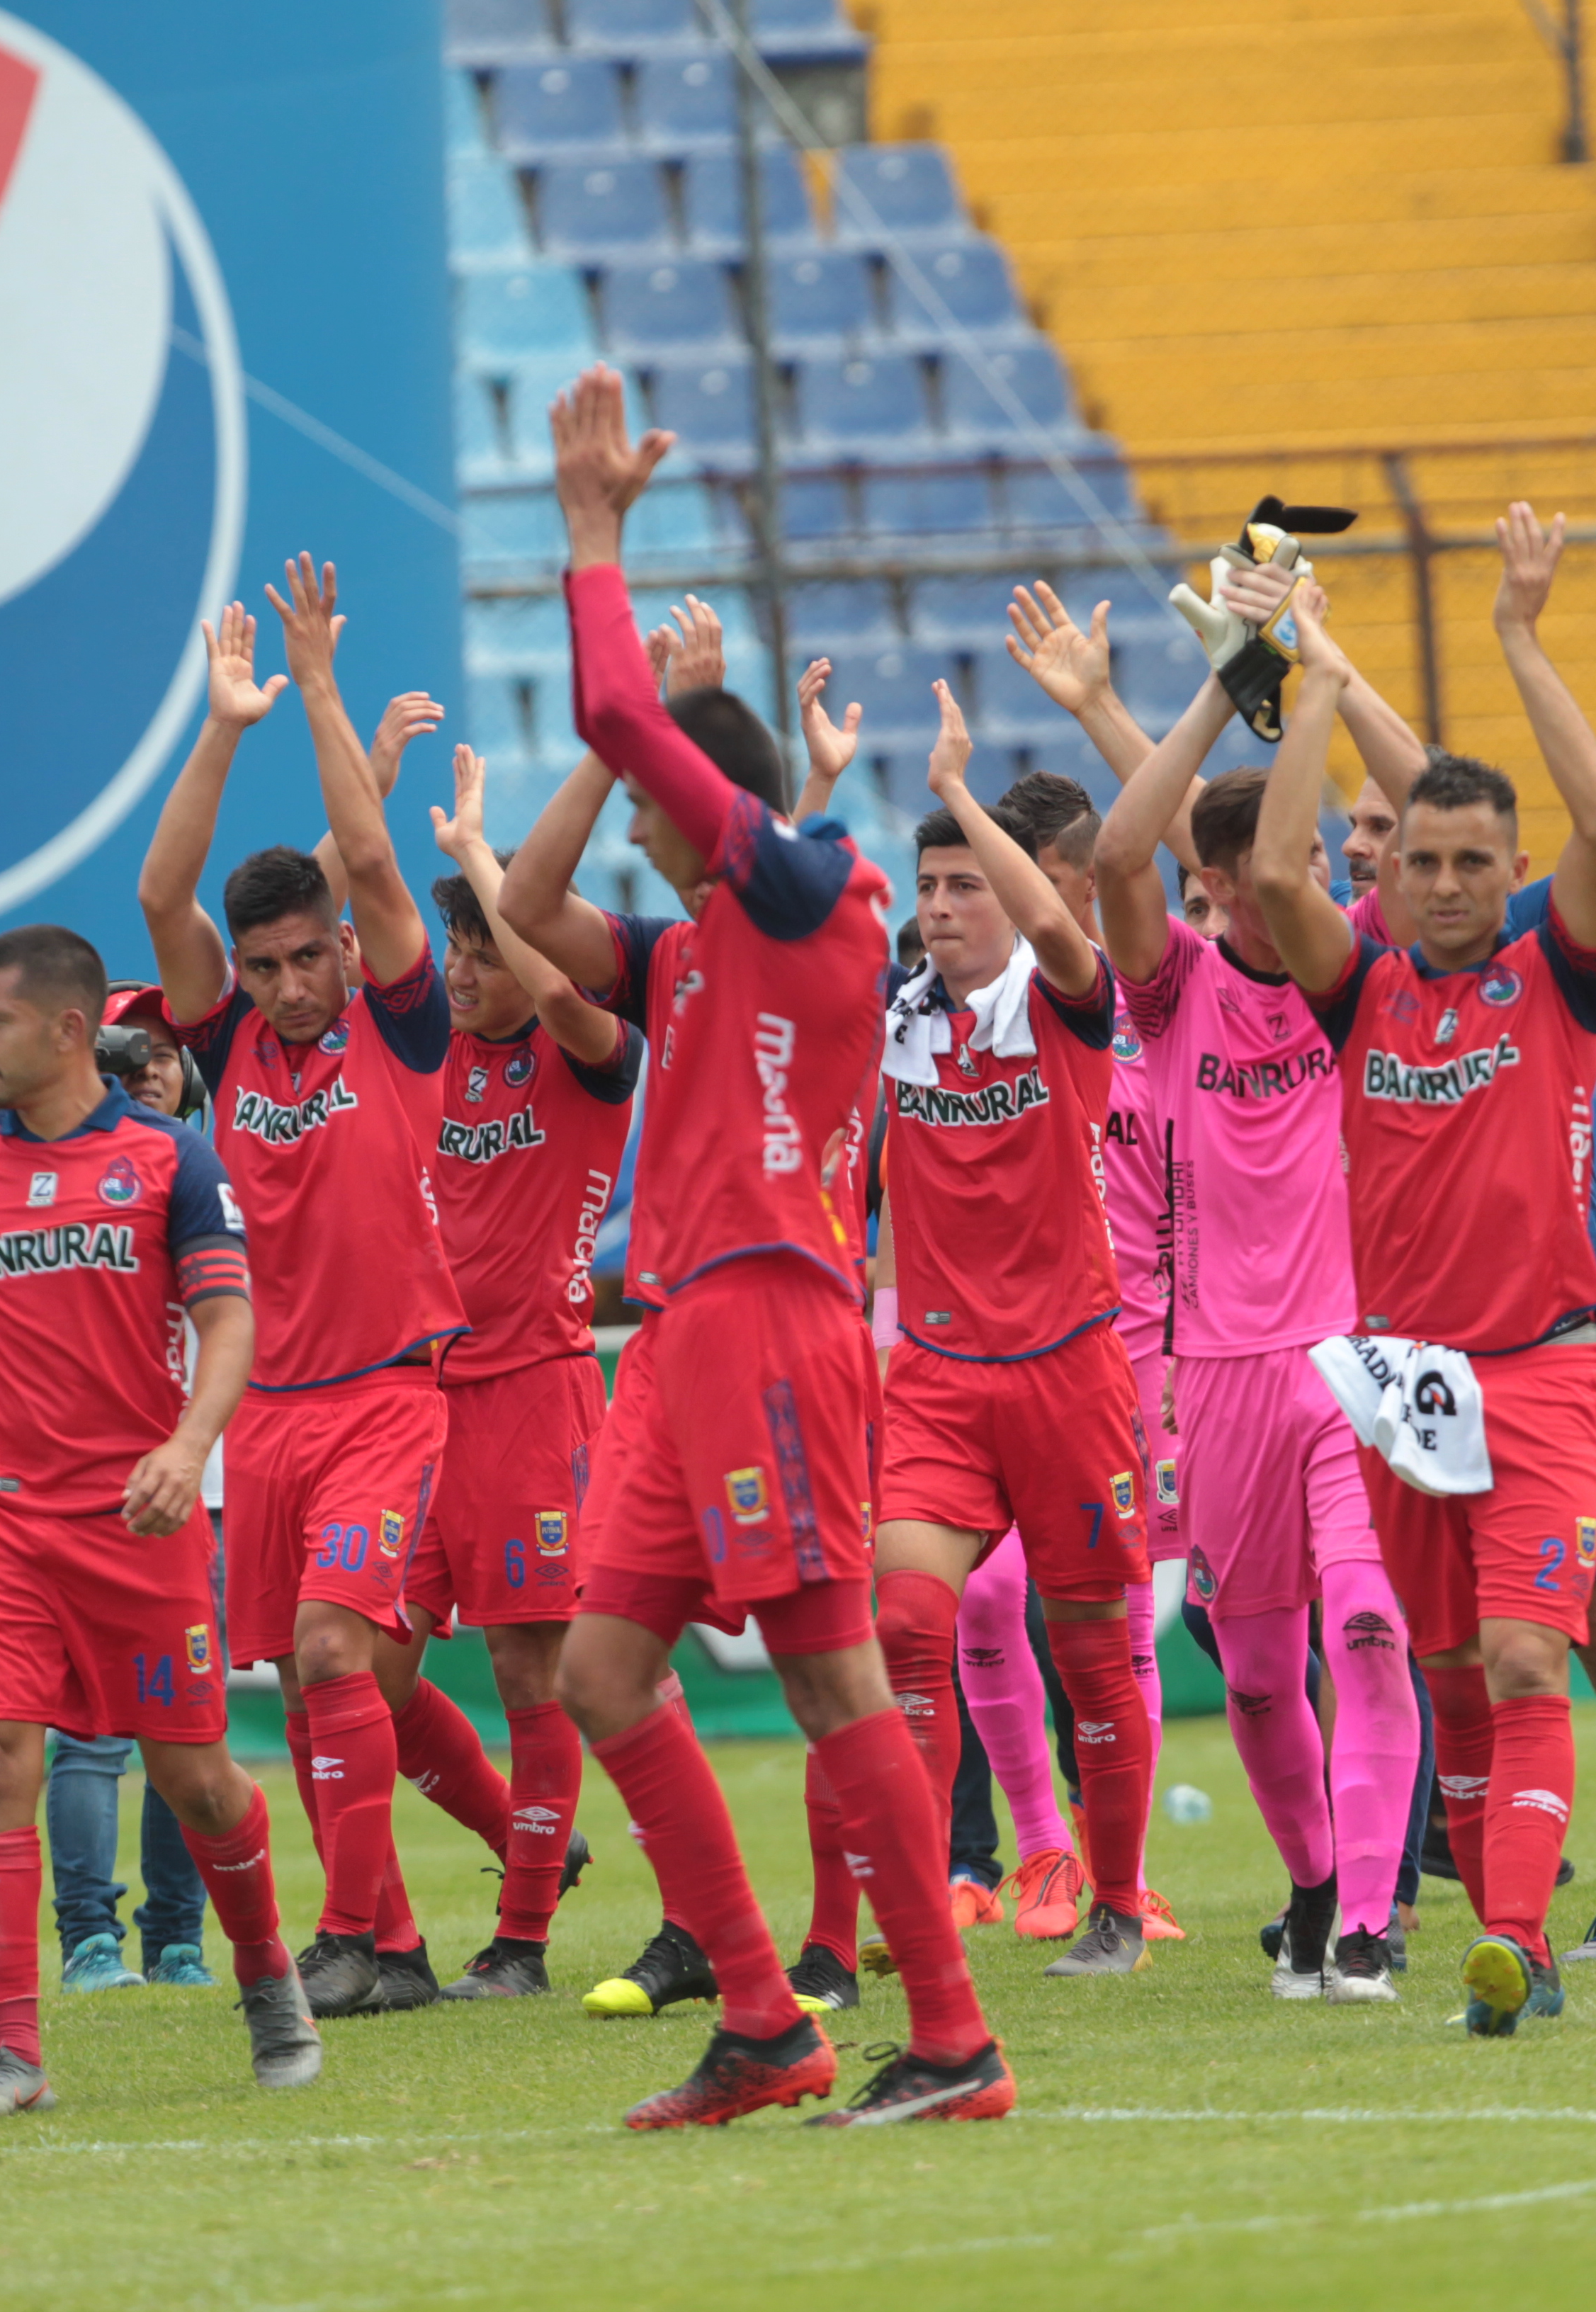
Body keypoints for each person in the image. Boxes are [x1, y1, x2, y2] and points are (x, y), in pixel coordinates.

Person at [499, 364, 1008, 2127]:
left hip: (776, 1320)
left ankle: (950, 2036)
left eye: (652, 805)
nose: (637, 834)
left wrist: (593, 550)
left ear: (708, 807)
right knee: (601, 1671)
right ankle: (767, 2021)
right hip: (684, 1339)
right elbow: (524, 910)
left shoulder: (812, 890)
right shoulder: (703, 933)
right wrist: (611, 746)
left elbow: (648, 744)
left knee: (828, 1670)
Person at [1247, 510, 1596, 2037]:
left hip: (1540, 1367)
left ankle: (1524, 1942)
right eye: (1427, 860)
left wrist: (1519, 640)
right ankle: (1498, 1933)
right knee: (1453, 1673)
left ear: (1512, 872)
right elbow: (1277, 868)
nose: (1453, 882)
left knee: (1533, 1649)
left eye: (1480, 861)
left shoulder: (1558, 972)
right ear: (1394, 875)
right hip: (1405, 1388)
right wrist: (1313, 676)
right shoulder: (1361, 992)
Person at [137, 576, 505, 2019]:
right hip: (263, 1412)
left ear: (350, 950)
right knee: (314, 1685)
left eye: (312, 958)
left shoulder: (402, 1022)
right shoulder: (222, 1044)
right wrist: (226, 730)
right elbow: (164, 896)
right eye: (271, 965)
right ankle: (403, 1940)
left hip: (390, 1396)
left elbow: (364, 849)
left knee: (344, 1653)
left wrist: (316, 684)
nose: (294, 985)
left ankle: (357, 1935)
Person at [0, 922, 322, 2117]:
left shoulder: (169, 1159)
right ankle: (18, 2057)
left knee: (195, 1780)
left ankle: (267, 1978)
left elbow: (231, 1320)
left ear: (69, 1029)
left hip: (137, 1524)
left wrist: (189, 1445)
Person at [1086, 571, 1424, 2005]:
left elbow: (1431, 799)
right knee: (1267, 1671)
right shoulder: (1172, 995)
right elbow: (1112, 864)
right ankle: (1305, 1889)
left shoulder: (1364, 967)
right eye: (1242, 876)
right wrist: (1232, 673)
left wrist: (1321, 658)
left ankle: (1367, 1922)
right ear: (1215, 888)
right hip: (1218, 1376)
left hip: (1355, 1359)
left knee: (1369, 1625)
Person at [864, 705, 1170, 1981]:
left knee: (1095, 1650)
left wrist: (957, 794)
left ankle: (1119, 1900)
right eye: (930, 885)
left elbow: (1058, 925)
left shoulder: (1063, 1004)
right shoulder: (898, 1015)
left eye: (965, 884)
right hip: (934, 1380)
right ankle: (930, 1894)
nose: (942, 906)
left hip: (1069, 1371)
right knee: (905, 1621)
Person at [415, 744, 640, 1998]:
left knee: (527, 1675)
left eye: (485, 949)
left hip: (531, 1395)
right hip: (406, 1399)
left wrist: (482, 862)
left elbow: (561, 1000)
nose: (461, 972)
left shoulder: (588, 1051)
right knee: (360, 1666)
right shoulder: (420, 1051)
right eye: (456, 950)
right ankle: (521, 1856)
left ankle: (521, 1944)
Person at [41, 985, 218, 1995]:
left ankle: (180, 1941)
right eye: (126, 1053)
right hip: (88, 1484)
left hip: (207, 1483)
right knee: (92, 1729)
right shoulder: (55, 1174)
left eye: (164, 1051)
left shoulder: (216, 1160)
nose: (148, 1067)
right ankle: (88, 1942)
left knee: (182, 1725)